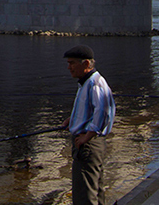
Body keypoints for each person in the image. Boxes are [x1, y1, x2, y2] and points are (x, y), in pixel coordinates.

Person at [62, 45, 115, 205]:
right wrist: (73, 120)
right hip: (88, 143)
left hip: (88, 145)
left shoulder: (96, 83)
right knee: (95, 189)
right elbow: (90, 109)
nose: (69, 67)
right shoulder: (85, 83)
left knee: (84, 194)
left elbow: (103, 111)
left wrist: (87, 136)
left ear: (85, 64)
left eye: (72, 63)